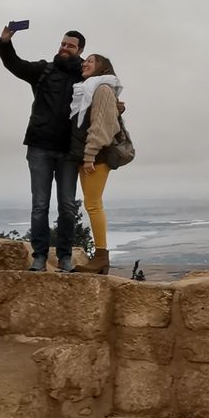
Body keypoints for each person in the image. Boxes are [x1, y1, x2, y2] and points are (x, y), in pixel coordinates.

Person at [0, 25, 84, 272]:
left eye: (71, 46)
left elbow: (104, 96)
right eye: (63, 44)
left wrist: (118, 106)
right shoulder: (44, 70)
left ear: (80, 51)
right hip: (39, 148)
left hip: (69, 151)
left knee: (68, 207)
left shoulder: (85, 76)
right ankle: (39, 257)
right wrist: (5, 42)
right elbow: (15, 64)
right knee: (40, 205)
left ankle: (65, 257)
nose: (65, 48)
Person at [69, 52, 124, 276]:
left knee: (93, 204)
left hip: (96, 157)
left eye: (90, 61)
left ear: (102, 68)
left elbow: (101, 126)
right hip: (88, 155)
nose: (85, 63)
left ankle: (101, 256)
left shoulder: (101, 89)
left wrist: (90, 154)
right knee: (92, 204)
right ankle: (100, 258)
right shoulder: (89, 90)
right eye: (85, 61)